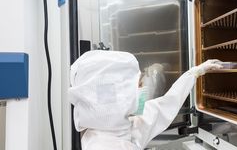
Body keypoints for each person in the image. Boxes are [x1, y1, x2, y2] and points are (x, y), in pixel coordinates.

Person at [68, 50, 222, 150]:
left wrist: (194, 72)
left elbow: (167, 103)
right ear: (118, 97)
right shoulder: (99, 146)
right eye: (137, 84)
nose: (142, 87)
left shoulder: (122, 125)